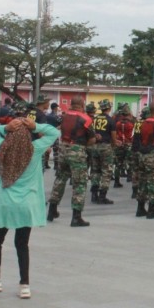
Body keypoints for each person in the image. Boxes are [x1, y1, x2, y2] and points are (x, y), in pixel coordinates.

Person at [0, 112, 60, 298]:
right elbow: (54, 133)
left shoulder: (3, 147)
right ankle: (24, 285)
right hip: (27, 204)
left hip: (5, 203)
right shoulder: (35, 149)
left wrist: (5, 127)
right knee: (22, 244)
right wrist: (36, 127)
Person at [47, 97, 94, 227]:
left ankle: (52, 210)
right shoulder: (86, 118)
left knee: (60, 179)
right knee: (79, 183)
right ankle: (76, 217)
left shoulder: (64, 116)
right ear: (82, 105)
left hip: (63, 148)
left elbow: (60, 129)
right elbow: (91, 139)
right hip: (77, 150)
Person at [88, 99, 116, 206]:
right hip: (105, 147)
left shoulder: (94, 119)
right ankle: (102, 196)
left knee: (95, 170)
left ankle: (94, 194)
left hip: (94, 146)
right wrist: (113, 146)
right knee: (106, 171)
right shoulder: (110, 120)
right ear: (109, 108)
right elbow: (113, 136)